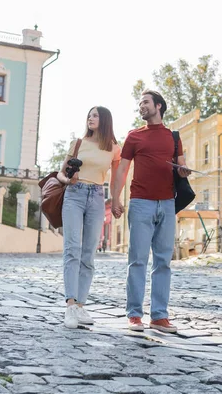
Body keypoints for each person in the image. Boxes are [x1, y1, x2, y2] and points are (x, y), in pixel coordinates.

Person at [111, 90, 191, 333]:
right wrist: (115, 197)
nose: (141, 106)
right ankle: (134, 315)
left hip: (167, 203)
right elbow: (122, 170)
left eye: (145, 102)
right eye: (139, 103)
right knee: (137, 260)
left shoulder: (174, 137)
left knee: (163, 262)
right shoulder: (134, 136)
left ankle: (159, 316)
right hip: (141, 203)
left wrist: (183, 171)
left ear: (158, 106)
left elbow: (181, 165)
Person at [57, 106, 121, 329]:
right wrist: (68, 181)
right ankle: (71, 306)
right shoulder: (78, 143)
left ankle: (81, 306)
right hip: (74, 194)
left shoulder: (114, 148)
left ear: (104, 120)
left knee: (89, 253)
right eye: (89, 115)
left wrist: (116, 200)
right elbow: (60, 172)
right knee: (72, 249)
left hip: (97, 197)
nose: (90, 118)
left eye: (95, 115)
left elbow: (114, 179)